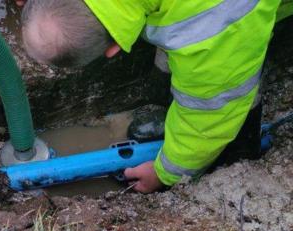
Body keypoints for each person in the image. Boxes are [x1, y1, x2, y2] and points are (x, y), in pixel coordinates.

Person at [18, 0, 291, 193]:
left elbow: (209, 118)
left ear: (114, 49)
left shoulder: (209, 31)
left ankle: (242, 152)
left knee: (229, 94)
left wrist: (166, 172)